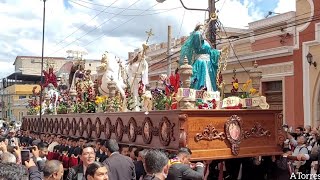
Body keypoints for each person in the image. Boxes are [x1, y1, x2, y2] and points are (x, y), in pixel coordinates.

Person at [180, 23, 221, 92]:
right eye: (200, 28)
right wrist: (199, 32)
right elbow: (197, 41)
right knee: (199, 79)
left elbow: (210, 51)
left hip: (208, 64)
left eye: (203, 29)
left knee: (210, 81)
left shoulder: (206, 42)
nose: (202, 30)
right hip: (200, 63)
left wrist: (218, 52)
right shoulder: (197, 37)